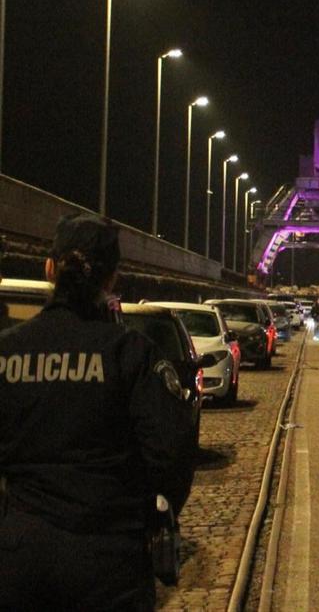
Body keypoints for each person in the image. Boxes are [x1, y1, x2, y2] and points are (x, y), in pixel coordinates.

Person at [0, 213, 195, 609]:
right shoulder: (131, 354)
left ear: (49, 268)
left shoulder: (7, 351)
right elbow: (171, 456)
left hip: (20, 558)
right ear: (112, 279)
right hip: (110, 561)